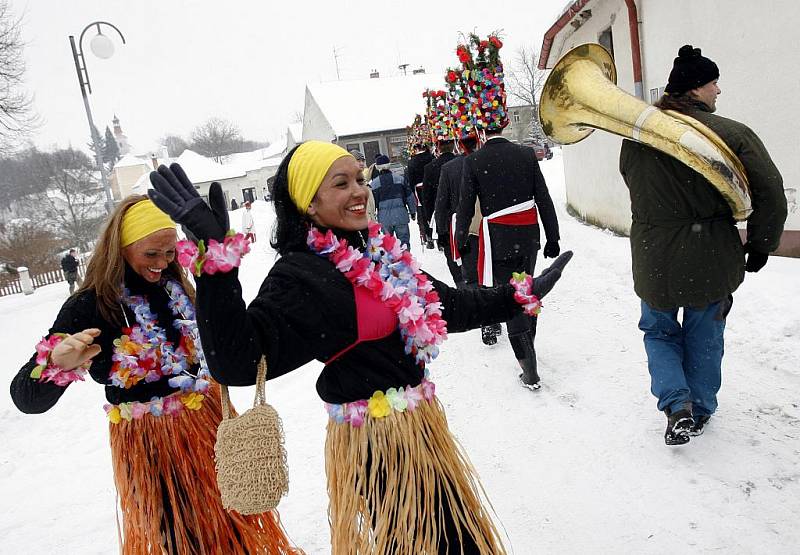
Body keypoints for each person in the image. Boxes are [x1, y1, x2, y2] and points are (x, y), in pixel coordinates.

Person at [148, 141, 573, 554]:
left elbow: (448, 303)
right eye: (341, 183)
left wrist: (514, 296)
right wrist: (217, 260)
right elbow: (235, 362)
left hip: (420, 432)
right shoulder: (301, 277)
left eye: (359, 178)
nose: (359, 191)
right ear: (309, 203)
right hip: (378, 449)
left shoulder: (375, 251)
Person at [9, 196, 299, 554]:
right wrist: (56, 364)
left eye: (169, 253)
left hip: (209, 431)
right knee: (183, 540)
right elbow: (25, 397)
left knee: (235, 532)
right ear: (120, 247)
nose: (162, 263)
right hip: (153, 452)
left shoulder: (180, 288)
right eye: (151, 254)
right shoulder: (91, 304)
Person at [619, 45, 788, 446]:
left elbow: (631, 180)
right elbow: (771, 192)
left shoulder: (638, 135)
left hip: (653, 252)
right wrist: (762, 242)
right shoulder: (731, 133)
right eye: (714, 84)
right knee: (705, 333)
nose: (717, 92)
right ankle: (701, 407)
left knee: (658, 331)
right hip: (710, 251)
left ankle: (676, 404)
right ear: (696, 89)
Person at [455, 127, 561, 390]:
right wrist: (552, 236)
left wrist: (460, 238)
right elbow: (543, 198)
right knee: (527, 290)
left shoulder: (474, 160)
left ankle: (529, 368)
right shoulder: (526, 154)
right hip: (528, 236)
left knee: (510, 299)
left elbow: (466, 205)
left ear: (481, 131)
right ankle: (529, 345)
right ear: (503, 126)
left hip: (498, 239)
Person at [370, 153, 417, 249]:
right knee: (404, 243)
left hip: (384, 218)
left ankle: (391, 262)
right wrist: (413, 211)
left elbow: (372, 204)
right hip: (400, 216)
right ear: (389, 165)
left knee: (388, 246)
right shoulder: (400, 179)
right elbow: (409, 197)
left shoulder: (374, 184)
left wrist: (373, 219)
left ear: (378, 167)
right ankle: (406, 261)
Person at [423, 138, 457, 258]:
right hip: (462, 209)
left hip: (442, 214)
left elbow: (427, 196)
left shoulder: (430, 168)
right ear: (453, 145)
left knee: (449, 251)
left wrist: (428, 216)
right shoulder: (462, 162)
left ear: (438, 147)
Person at [406, 142, 435, 248]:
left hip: (419, 188)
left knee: (423, 211)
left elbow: (411, 179)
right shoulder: (431, 157)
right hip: (433, 185)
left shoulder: (412, 162)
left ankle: (429, 235)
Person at [349, 149, 377, 221]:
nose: (361, 163)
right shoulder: (349, 183)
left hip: (370, 224)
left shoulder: (364, 182)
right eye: (358, 161)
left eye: (363, 161)